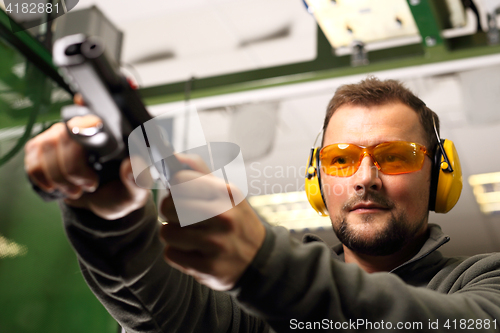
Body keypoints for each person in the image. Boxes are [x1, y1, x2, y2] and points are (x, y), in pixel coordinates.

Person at [24, 77, 500, 332]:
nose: (364, 179)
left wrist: (261, 263)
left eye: (395, 157)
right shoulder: (257, 300)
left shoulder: (484, 282)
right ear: (318, 178)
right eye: (341, 160)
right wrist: (112, 218)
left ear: (440, 174)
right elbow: (162, 310)